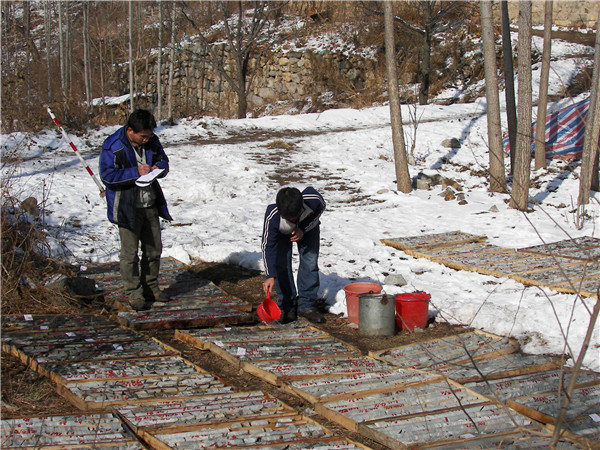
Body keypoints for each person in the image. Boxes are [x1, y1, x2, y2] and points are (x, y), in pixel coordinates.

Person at [99, 109, 172, 310]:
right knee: (130, 254)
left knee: (153, 249)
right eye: (143, 137)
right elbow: (107, 176)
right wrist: (134, 172)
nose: (146, 140)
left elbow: (164, 161)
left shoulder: (152, 140)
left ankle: (151, 287)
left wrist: (159, 168)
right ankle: (134, 292)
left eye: (149, 136)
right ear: (130, 131)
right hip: (127, 206)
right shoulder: (112, 146)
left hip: (150, 203)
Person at [261, 184, 326, 323]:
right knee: (281, 264)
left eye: (295, 217)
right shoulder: (272, 216)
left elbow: (321, 207)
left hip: (308, 228)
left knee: (310, 262)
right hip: (281, 232)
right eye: (290, 219)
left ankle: (306, 305)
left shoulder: (313, 199)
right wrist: (269, 275)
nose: (293, 221)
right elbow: (268, 246)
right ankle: (287, 305)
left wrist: (302, 228)